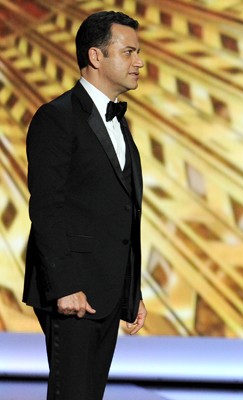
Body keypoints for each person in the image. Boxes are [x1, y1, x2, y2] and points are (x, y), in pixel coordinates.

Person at [22, 11, 146, 400]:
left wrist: (131, 288)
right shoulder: (56, 118)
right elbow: (46, 207)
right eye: (128, 52)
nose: (139, 62)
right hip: (73, 293)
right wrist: (65, 285)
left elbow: (121, 211)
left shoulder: (120, 124)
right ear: (96, 57)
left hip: (108, 291)